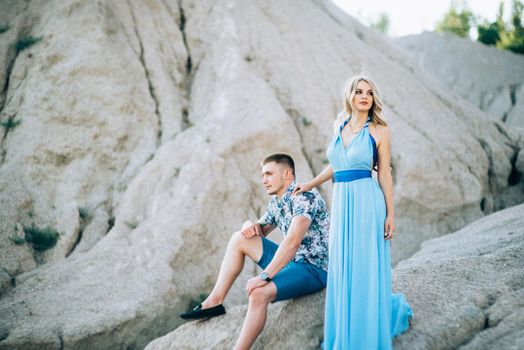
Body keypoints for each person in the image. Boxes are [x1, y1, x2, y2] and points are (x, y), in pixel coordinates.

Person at [293, 74, 413, 349]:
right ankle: (345, 332)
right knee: (344, 264)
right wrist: (309, 184)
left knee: (365, 264)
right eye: (359, 91)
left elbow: (384, 172)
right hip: (343, 202)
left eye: (369, 93)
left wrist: (391, 214)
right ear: (349, 95)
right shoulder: (339, 125)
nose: (364, 96)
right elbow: (337, 164)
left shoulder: (380, 130)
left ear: (373, 99)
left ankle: (367, 332)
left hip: (368, 201)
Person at [179, 153, 330, 350]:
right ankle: (214, 301)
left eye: (268, 174)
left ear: (287, 174)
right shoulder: (277, 202)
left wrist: (265, 276)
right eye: (262, 175)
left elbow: (292, 242)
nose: (264, 180)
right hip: (294, 263)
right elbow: (256, 231)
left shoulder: (305, 197)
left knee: (258, 293)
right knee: (239, 238)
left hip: (315, 269)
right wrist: (248, 223)